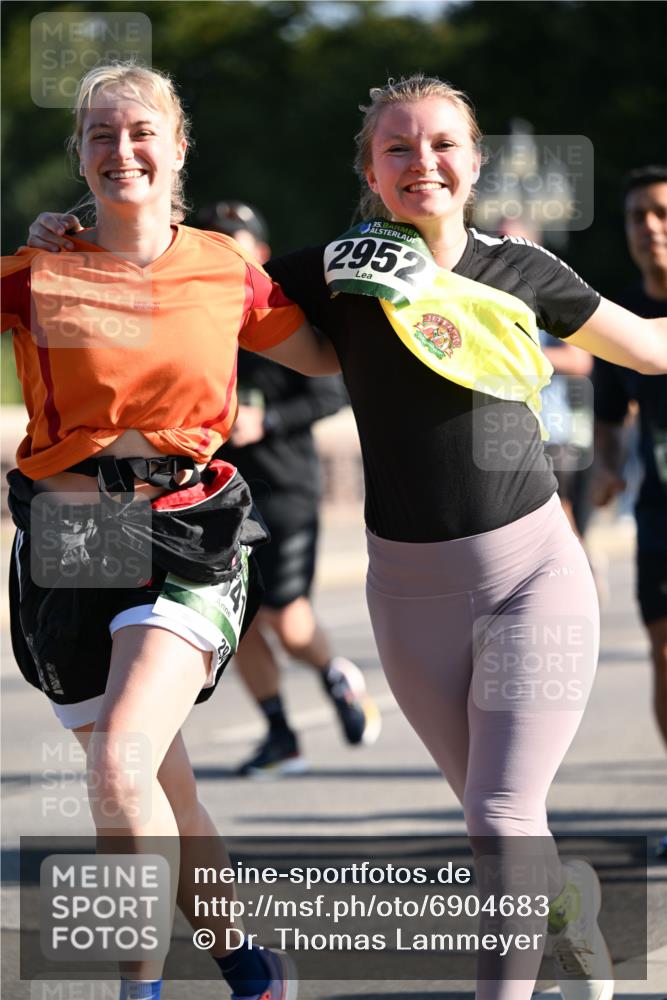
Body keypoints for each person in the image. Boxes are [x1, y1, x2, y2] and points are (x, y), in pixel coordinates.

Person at [24, 74, 667, 1000]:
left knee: (497, 809)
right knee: (494, 819)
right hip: (407, 591)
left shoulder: (524, 271)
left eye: (443, 145)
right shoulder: (338, 266)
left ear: (476, 161)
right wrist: (72, 229)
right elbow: (187, 278)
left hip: (533, 574)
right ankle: (561, 901)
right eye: (398, 148)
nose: (423, 164)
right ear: (369, 169)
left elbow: (647, 345)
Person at [2, 63, 337, 1000]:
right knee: (158, 786)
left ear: (179, 147)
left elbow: (327, 352)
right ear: (78, 154)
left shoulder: (223, 265)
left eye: (142, 131)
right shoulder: (44, 274)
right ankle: (248, 967)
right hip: (70, 540)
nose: (122, 151)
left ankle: (137, 989)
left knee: (118, 767)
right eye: (100, 135)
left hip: (187, 529)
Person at [197, 200, 381, 776]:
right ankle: (280, 733)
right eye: (215, 241)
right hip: (217, 493)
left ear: (262, 253)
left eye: (238, 242)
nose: (227, 251)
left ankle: (333, 673)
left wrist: (267, 421)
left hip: (286, 488)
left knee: (288, 617)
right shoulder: (190, 315)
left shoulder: (283, 309)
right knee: (233, 621)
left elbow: (334, 388)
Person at [591, 165, 667, 856]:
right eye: (635, 216)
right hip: (659, 517)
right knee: (664, 654)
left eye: (660, 213)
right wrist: (608, 467)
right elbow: (613, 414)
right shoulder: (620, 318)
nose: (648, 227)